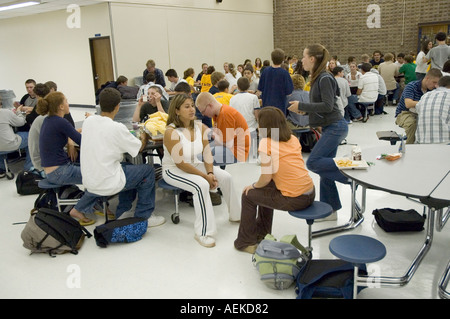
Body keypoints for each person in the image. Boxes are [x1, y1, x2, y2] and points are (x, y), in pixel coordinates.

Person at [162, 94, 241, 247]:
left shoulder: (198, 126)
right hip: (173, 169)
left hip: (195, 164)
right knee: (201, 186)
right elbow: (180, 164)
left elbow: (206, 153)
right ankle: (203, 233)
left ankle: (236, 216)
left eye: (192, 105)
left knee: (226, 177)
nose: (192, 109)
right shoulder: (171, 132)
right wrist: (205, 177)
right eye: (187, 106)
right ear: (177, 111)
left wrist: (210, 173)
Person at [234, 107, 315, 253]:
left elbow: (266, 177)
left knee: (248, 195)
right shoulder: (293, 138)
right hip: (310, 192)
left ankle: (245, 242)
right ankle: (262, 234)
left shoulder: (266, 143)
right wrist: (259, 186)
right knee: (263, 190)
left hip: (295, 198)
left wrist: (252, 185)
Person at [80, 88, 163, 225]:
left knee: (129, 168)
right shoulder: (117, 128)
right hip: (107, 181)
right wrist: (144, 137)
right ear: (118, 106)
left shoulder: (88, 122)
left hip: (90, 181)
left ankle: (124, 211)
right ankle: (144, 215)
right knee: (147, 170)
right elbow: (138, 149)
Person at [288, 44, 349, 219]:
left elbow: (328, 106)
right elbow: (322, 107)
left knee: (313, 162)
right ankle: (331, 210)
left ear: (312, 58)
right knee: (325, 171)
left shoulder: (324, 78)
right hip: (331, 126)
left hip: (336, 126)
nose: (302, 60)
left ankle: (351, 177)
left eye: (304, 56)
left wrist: (303, 105)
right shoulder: (318, 78)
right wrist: (304, 110)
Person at [37, 92, 96, 225]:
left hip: (51, 171)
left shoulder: (49, 120)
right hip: (59, 172)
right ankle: (78, 209)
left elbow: (71, 134)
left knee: (88, 171)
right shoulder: (61, 122)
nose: (68, 103)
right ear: (61, 107)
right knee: (97, 176)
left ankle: (93, 204)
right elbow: (82, 141)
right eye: (66, 101)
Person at [196, 92, 250, 165]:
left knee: (199, 158)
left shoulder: (225, 114)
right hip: (231, 147)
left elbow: (228, 144)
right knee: (199, 151)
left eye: (203, 111)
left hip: (236, 152)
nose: (203, 115)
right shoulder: (218, 114)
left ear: (210, 106)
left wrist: (209, 131)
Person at [395, 68, 442, 144]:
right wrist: (425, 102)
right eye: (434, 82)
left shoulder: (433, 90)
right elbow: (408, 103)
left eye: (437, 83)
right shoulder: (411, 86)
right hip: (405, 113)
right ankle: (410, 147)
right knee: (412, 124)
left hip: (422, 114)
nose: (436, 85)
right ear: (427, 78)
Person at [0, 97, 33, 177]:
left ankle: (2, 169)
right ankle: (28, 168)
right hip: (10, 145)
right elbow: (21, 122)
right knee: (32, 137)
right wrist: (18, 112)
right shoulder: (5, 112)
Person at [229, 77, 260, 159]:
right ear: (249, 86)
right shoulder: (253, 98)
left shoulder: (232, 99)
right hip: (251, 129)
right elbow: (257, 115)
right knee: (252, 157)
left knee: (240, 157)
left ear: (238, 87)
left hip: (237, 130)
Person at [415, 76, 450, 144]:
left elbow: (418, 110)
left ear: (438, 85)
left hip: (422, 142)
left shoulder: (426, 95)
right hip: (445, 143)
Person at [258, 48, 294, 114]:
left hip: (266, 107)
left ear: (271, 58)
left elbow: (260, 89)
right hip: (279, 108)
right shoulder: (285, 73)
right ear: (283, 59)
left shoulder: (265, 71)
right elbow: (289, 92)